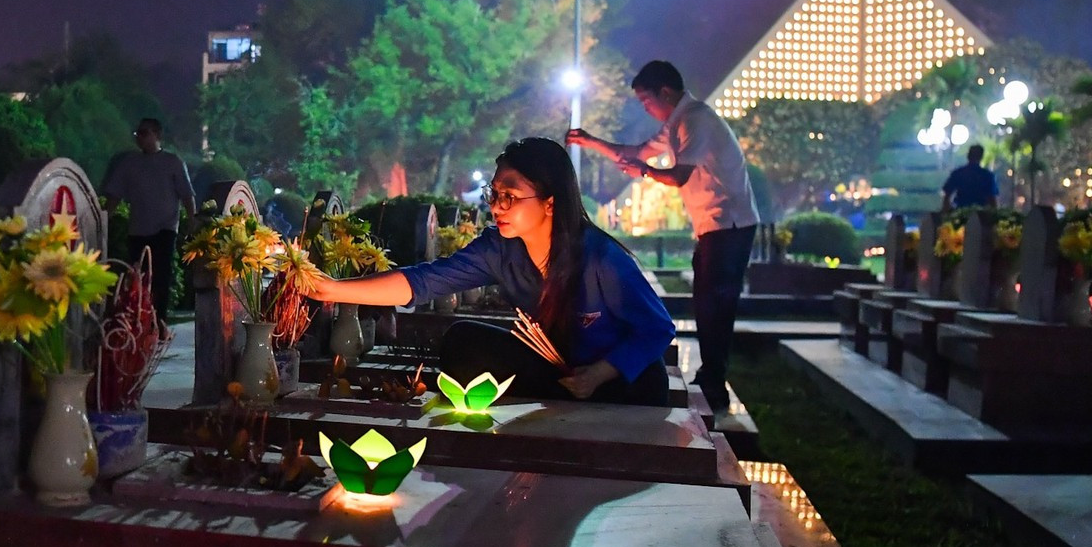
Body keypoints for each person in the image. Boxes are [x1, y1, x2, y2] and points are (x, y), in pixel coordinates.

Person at [301, 137, 676, 404]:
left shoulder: (601, 258)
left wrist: (600, 374)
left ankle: (578, 401)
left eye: (509, 196)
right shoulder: (500, 248)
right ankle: (557, 401)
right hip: (557, 374)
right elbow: (423, 281)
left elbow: (658, 328)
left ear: (550, 202)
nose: (497, 207)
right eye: (494, 194)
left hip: (615, 383)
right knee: (463, 341)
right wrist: (333, 289)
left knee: (643, 378)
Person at [567, 59, 760, 413]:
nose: (646, 108)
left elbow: (680, 175)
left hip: (730, 225)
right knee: (708, 302)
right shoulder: (676, 123)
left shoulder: (695, 119)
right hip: (714, 227)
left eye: (646, 100)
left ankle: (715, 384)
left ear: (665, 92)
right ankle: (711, 379)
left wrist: (646, 171)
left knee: (716, 304)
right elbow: (637, 153)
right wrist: (590, 142)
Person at [101, 117, 196, 317]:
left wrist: (192, 220)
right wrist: (103, 218)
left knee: (161, 276)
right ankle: (138, 316)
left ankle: (158, 319)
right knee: (137, 276)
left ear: (157, 135)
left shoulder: (173, 162)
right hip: (138, 229)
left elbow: (187, 195)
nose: (139, 138)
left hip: (165, 229)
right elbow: (115, 195)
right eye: (138, 134)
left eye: (144, 133)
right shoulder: (129, 164)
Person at [941, 144, 999, 210]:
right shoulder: (987, 175)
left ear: (968, 156)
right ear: (981, 157)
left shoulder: (958, 173)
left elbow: (947, 194)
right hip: (981, 214)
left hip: (961, 213)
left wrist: (947, 213)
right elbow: (992, 199)